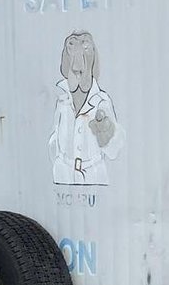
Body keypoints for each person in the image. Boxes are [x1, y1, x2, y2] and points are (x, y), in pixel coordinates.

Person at [49, 31, 124, 185]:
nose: (77, 68)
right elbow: (53, 140)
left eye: (85, 48)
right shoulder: (61, 100)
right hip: (63, 175)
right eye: (71, 47)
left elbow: (114, 150)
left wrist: (107, 135)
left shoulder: (102, 101)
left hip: (94, 176)